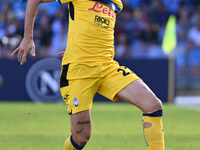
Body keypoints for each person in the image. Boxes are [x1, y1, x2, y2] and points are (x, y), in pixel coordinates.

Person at [12, 0, 165, 150]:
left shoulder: (116, 3)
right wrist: (28, 37)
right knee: (81, 137)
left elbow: (95, 27)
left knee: (153, 105)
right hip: (79, 70)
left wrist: (79, 46)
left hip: (107, 66)